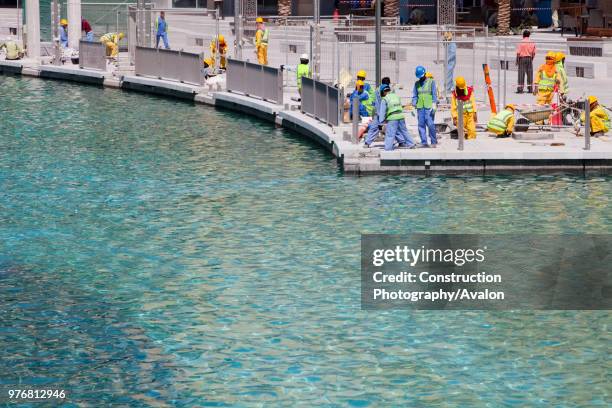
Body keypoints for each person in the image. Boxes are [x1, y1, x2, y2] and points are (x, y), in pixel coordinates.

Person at [377, 84, 416, 151]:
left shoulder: (385, 99)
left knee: (390, 133)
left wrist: (381, 121)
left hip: (393, 118)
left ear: (383, 92)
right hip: (401, 116)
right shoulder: (396, 96)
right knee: (404, 131)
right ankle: (411, 144)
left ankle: (388, 148)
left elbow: (382, 112)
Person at [412, 65, 438, 147]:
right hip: (420, 107)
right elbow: (415, 96)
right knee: (421, 125)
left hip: (429, 107)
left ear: (425, 73)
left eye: (421, 76)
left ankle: (433, 142)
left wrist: (434, 104)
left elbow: (434, 94)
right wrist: (413, 106)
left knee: (430, 124)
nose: (421, 78)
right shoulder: (416, 84)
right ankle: (424, 142)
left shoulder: (431, 82)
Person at [364, 77, 391, 147]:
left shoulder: (377, 90)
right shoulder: (388, 91)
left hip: (378, 113)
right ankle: (401, 141)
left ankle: (367, 142)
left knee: (374, 128)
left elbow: (373, 101)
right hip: (386, 113)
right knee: (393, 127)